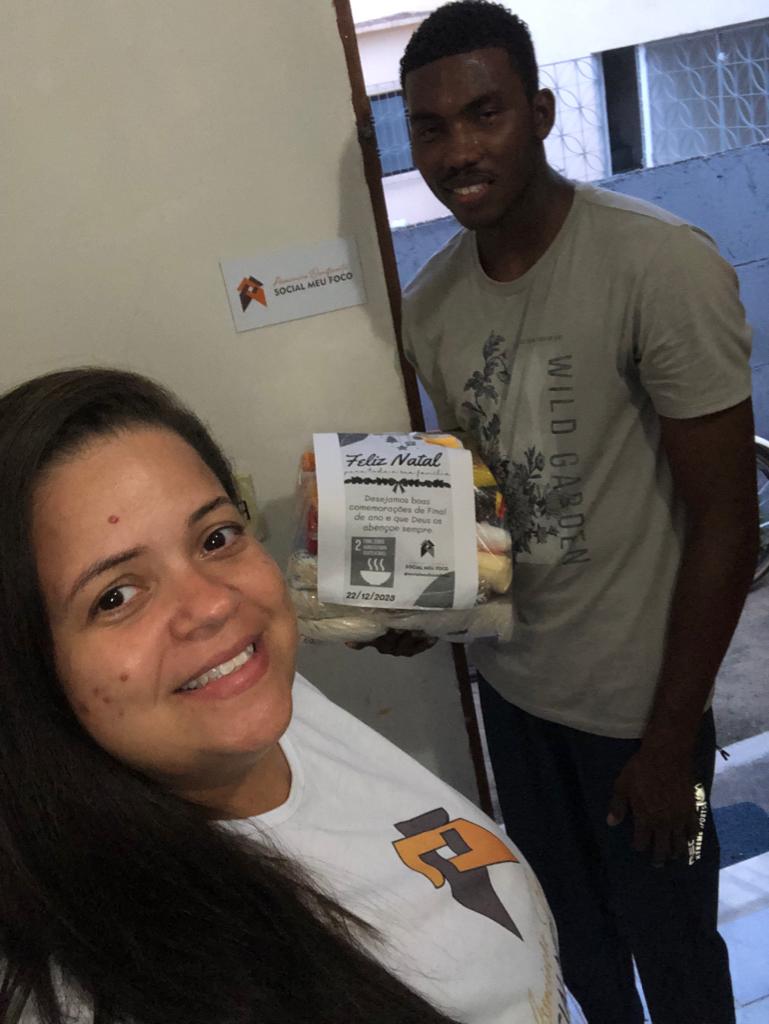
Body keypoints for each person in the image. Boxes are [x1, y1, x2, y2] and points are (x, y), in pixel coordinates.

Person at [0, 366, 568, 1024]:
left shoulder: (255, 701)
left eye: (215, 538)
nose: (213, 605)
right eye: (115, 596)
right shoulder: (116, 990)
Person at [394, 3, 759, 1022]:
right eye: (431, 127)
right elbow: (489, 507)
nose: (459, 151)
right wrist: (421, 604)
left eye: (485, 113)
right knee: (575, 950)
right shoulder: (430, 306)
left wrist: (669, 742)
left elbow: (729, 525)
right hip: (515, 699)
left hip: (642, 712)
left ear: (542, 112)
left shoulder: (659, 265)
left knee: (677, 957)